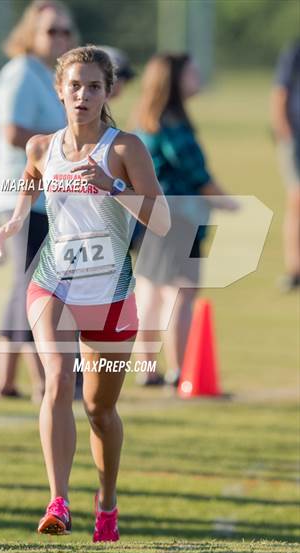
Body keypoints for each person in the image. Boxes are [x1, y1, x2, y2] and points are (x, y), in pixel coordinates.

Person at [0, 46, 170, 541]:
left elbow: (161, 221)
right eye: (75, 86)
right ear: (60, 91)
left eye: (94, 86)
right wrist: (15, 217)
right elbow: (31, 175)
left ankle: (107, 504)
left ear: (107, 91)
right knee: (55, 380)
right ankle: (58, 501)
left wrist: (113, 185)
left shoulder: (124, 149)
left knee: (99, 410)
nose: (83, 95)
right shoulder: (40, 146)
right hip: (52, 281)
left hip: (111, 294)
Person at [132, 53, 238, 388]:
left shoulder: (149, 119)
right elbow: (197, 173)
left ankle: (148, 367)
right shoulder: (173, 123)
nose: (198, 76)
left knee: (151, 289)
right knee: (182, 292)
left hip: (151, 217)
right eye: (191, 72)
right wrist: (227, 202)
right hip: (177, 219)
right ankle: (180, 369)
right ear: (174, 81)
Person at [0, 0, 78, 403]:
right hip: (22, 193)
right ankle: (45, 381)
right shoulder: (22, 72)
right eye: (51, 31)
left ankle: (6, 381)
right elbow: (12, 132)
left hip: (48, 196)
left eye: (65, 31)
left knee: (23, 288)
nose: (59, 38)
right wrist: (65, 141)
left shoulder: (47, 73)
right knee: (37, 288)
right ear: (31, 33)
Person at [271, 40, 300, 292]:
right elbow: (280, 93)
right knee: (297, 200)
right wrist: (285, 134)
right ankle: (295, 269)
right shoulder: (295, 51)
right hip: (297, 139)